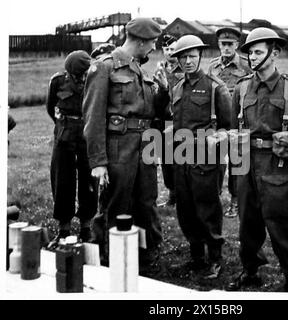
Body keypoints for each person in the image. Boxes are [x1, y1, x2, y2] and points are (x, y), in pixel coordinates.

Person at [227, 27, 288, 292]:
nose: (252, 57)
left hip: (278, 166)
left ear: (274, 53)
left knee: (281, 221)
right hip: (246, 163)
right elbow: (233, 128)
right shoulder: (241, 89)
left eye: (258, 52)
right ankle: (250, 270)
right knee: (248, 222)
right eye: (250, 52)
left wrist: (287, 162)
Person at [82, 17, 169, 272]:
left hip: (145, 146)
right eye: (152, 42)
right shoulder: (104, 68)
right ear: (140, 41)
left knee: (146, 200)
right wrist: (98, 162)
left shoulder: (140, 70)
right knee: (115, 201)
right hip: (118, 146)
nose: (153, 48)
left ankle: (144, 253)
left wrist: (162, 92)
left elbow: (152, 111)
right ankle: (109, 255)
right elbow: (93, 117)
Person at [170, 35, 232, 279]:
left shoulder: (216, 87)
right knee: (185, 211)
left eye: (192, 56)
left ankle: (215, 259)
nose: (187, 61)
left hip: (206, 160)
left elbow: (227, 127)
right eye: (183, 57)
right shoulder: (177, 87)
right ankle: (196, 257)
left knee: (207, 210)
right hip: (181, 157)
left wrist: (214, 139)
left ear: (200, 57)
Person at [46, 50, 97, 245]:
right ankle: (64, 229)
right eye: (78, 74)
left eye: (84, 73)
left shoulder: (94, 80)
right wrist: (62, 124)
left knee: (89, 180)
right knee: (62, 180)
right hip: (64, 135)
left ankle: (86, 227)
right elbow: (51, 107)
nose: (81, 77)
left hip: (87, 134)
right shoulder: (58, 81)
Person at [208, 27, 252, 218]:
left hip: (239, 122)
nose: (226, 48)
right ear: (218, 45)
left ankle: (235, 200)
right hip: (218, 121)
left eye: (230, 44)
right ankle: (214, 196)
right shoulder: (212, 66)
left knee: (237, 162)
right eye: (223, 44)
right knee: (215, 160)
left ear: (236, 45)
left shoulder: (245, 66)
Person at [155, 34, 183, 208]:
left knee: (181, 158)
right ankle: (172, 193)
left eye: (173, 48)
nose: (170, 52)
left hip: (180, 120)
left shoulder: (186, 68)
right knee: (166, 160)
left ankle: (183, 195)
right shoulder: (159, 69)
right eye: (167, 49)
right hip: (163, 120)